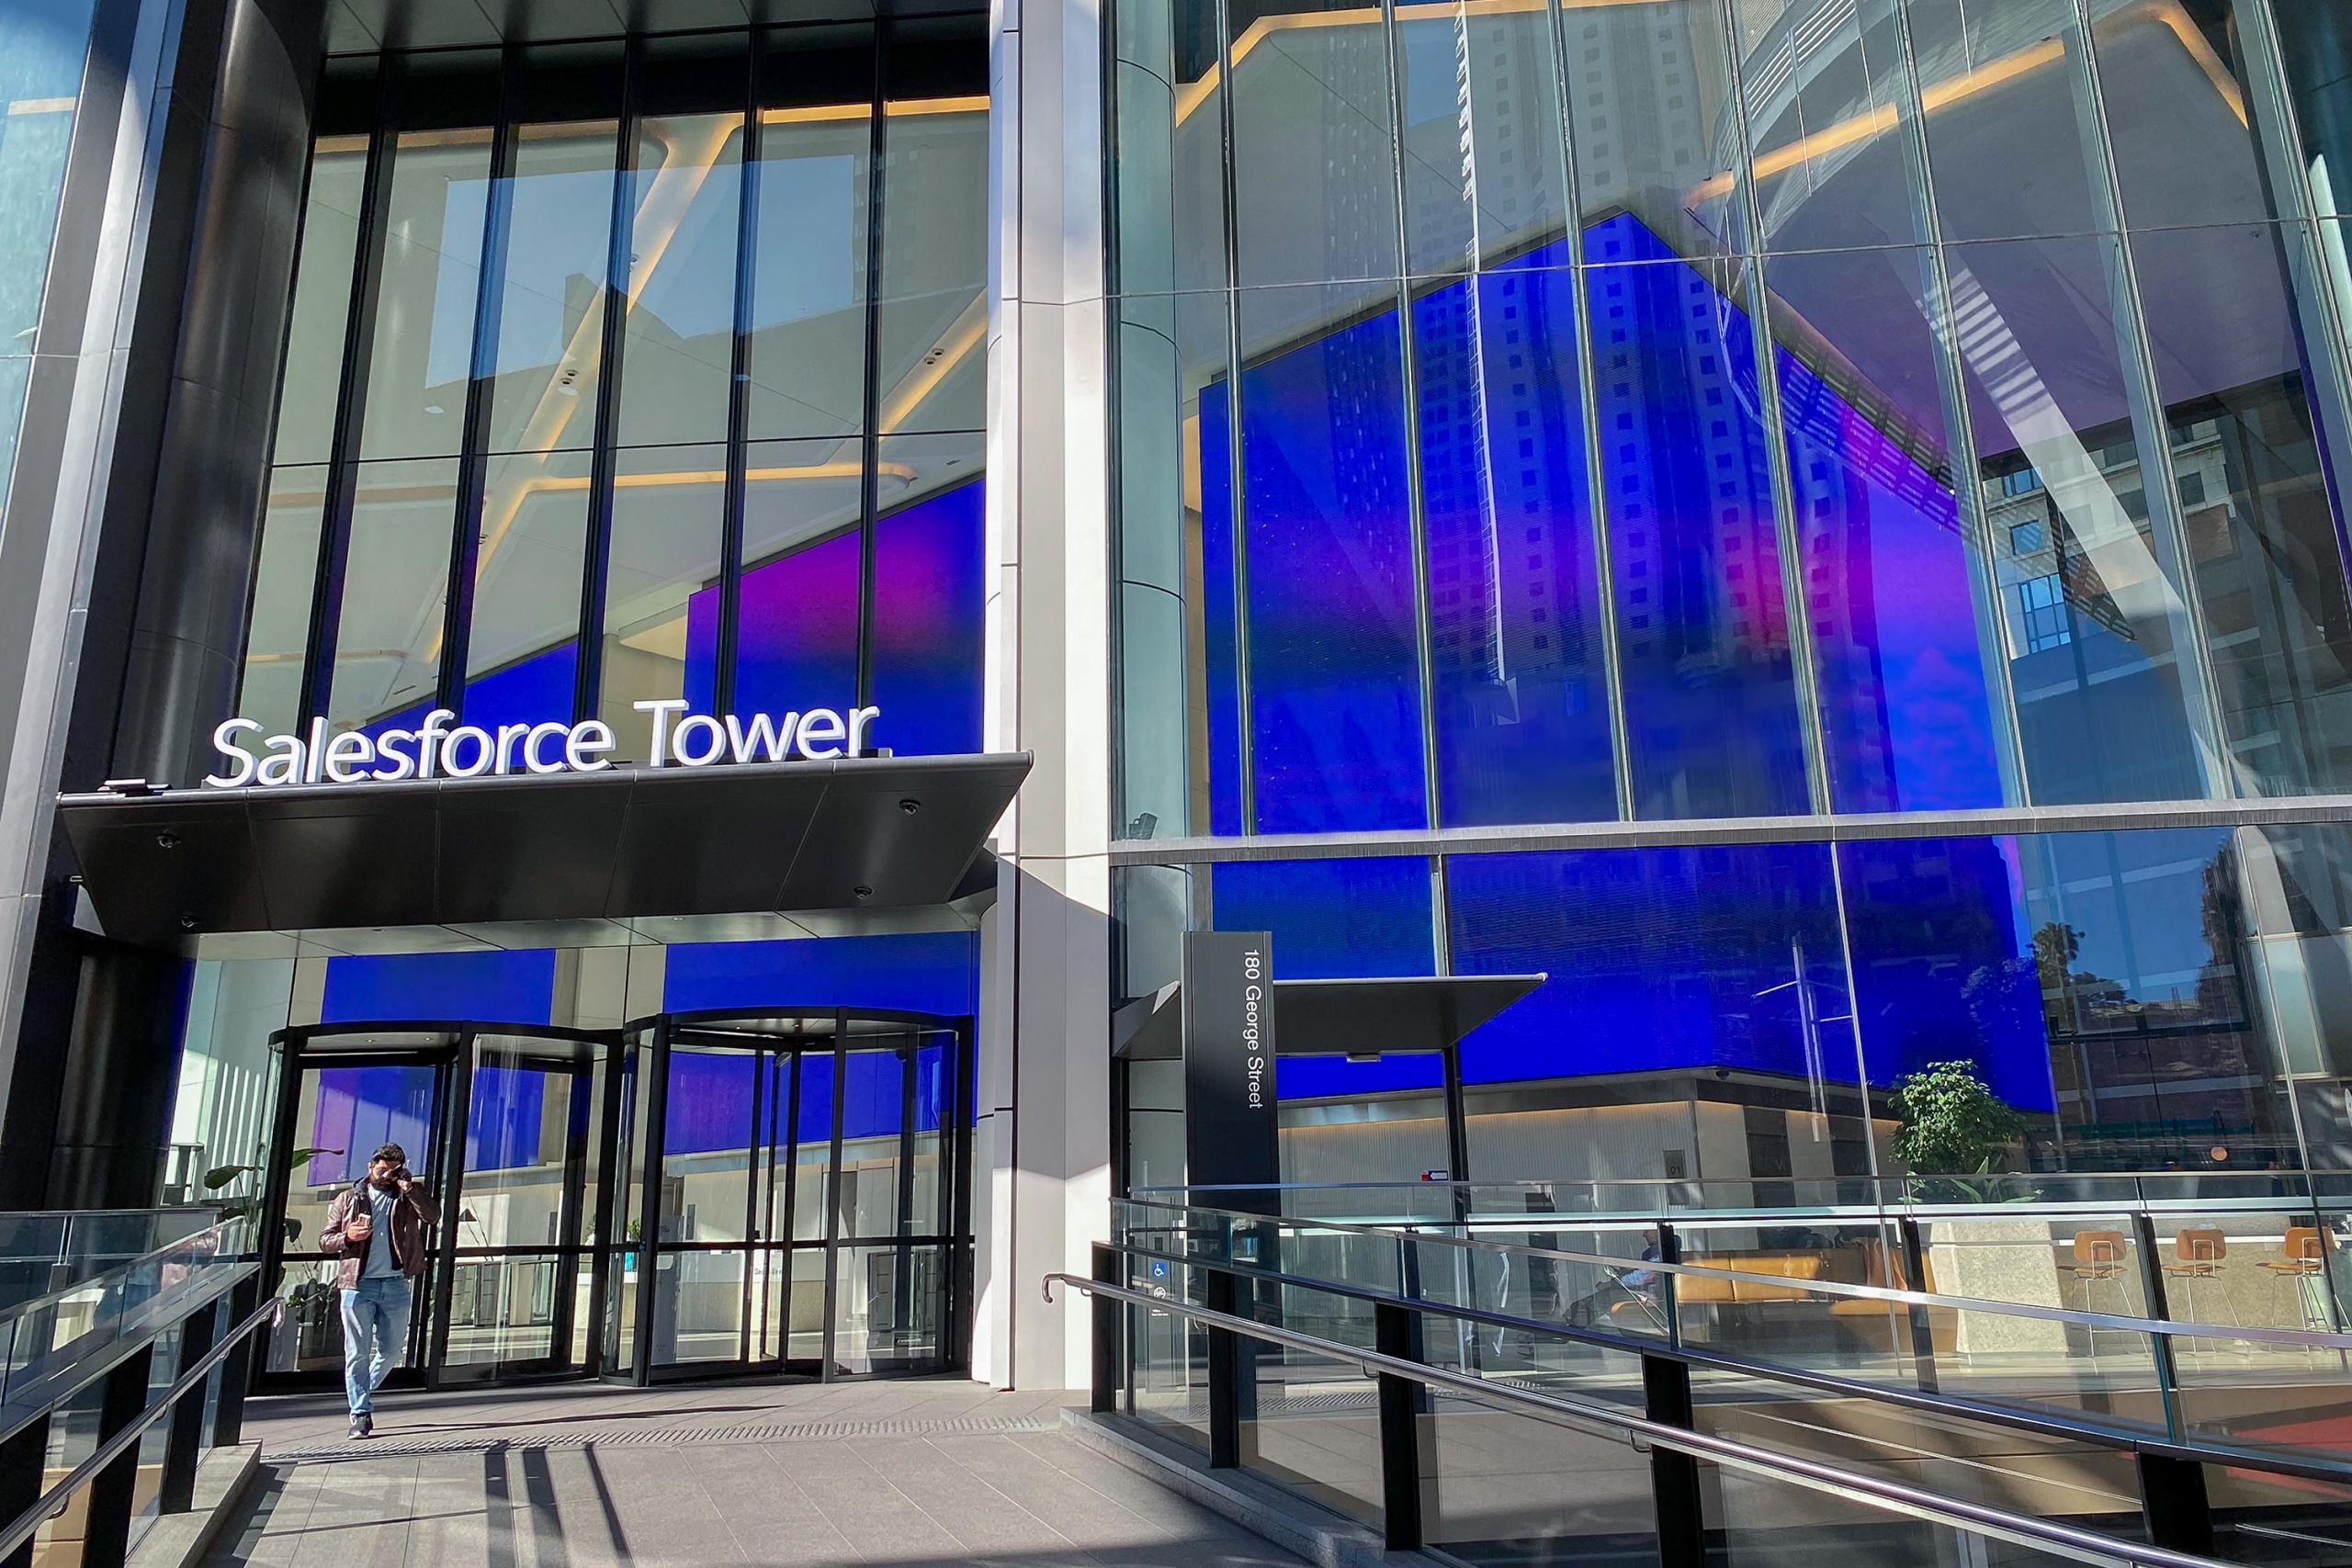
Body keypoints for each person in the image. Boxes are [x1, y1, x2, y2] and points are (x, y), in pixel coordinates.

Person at [319, 1144, 440, 1439]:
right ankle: (360, 1413)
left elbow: (433, 1216)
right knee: (357, 1354)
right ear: (370, 1166)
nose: (386, 1175)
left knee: (390, 1351)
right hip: (357, 1286)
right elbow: (325, 1240)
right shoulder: (348, 1198)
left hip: (395, 1283)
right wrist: (348, 1237)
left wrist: (410, 1188)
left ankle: (361, 1393)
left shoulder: (406, 1196)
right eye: (382, 1169)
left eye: (393, 1170)